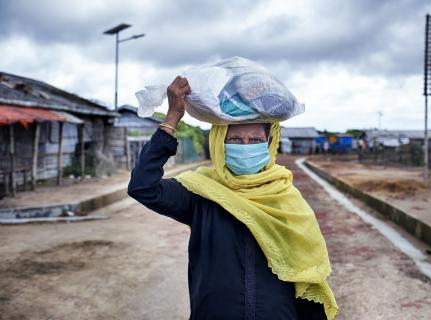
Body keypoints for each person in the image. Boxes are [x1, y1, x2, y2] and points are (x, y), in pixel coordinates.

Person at [128, 76, 338, 320]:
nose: (246, 146)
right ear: (220, 144)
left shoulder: (287, 200)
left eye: (255, 140)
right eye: (236, 139)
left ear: (269, 144)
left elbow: (308, 276)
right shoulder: (201, 195)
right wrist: (171, 119)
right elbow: (142, 187)